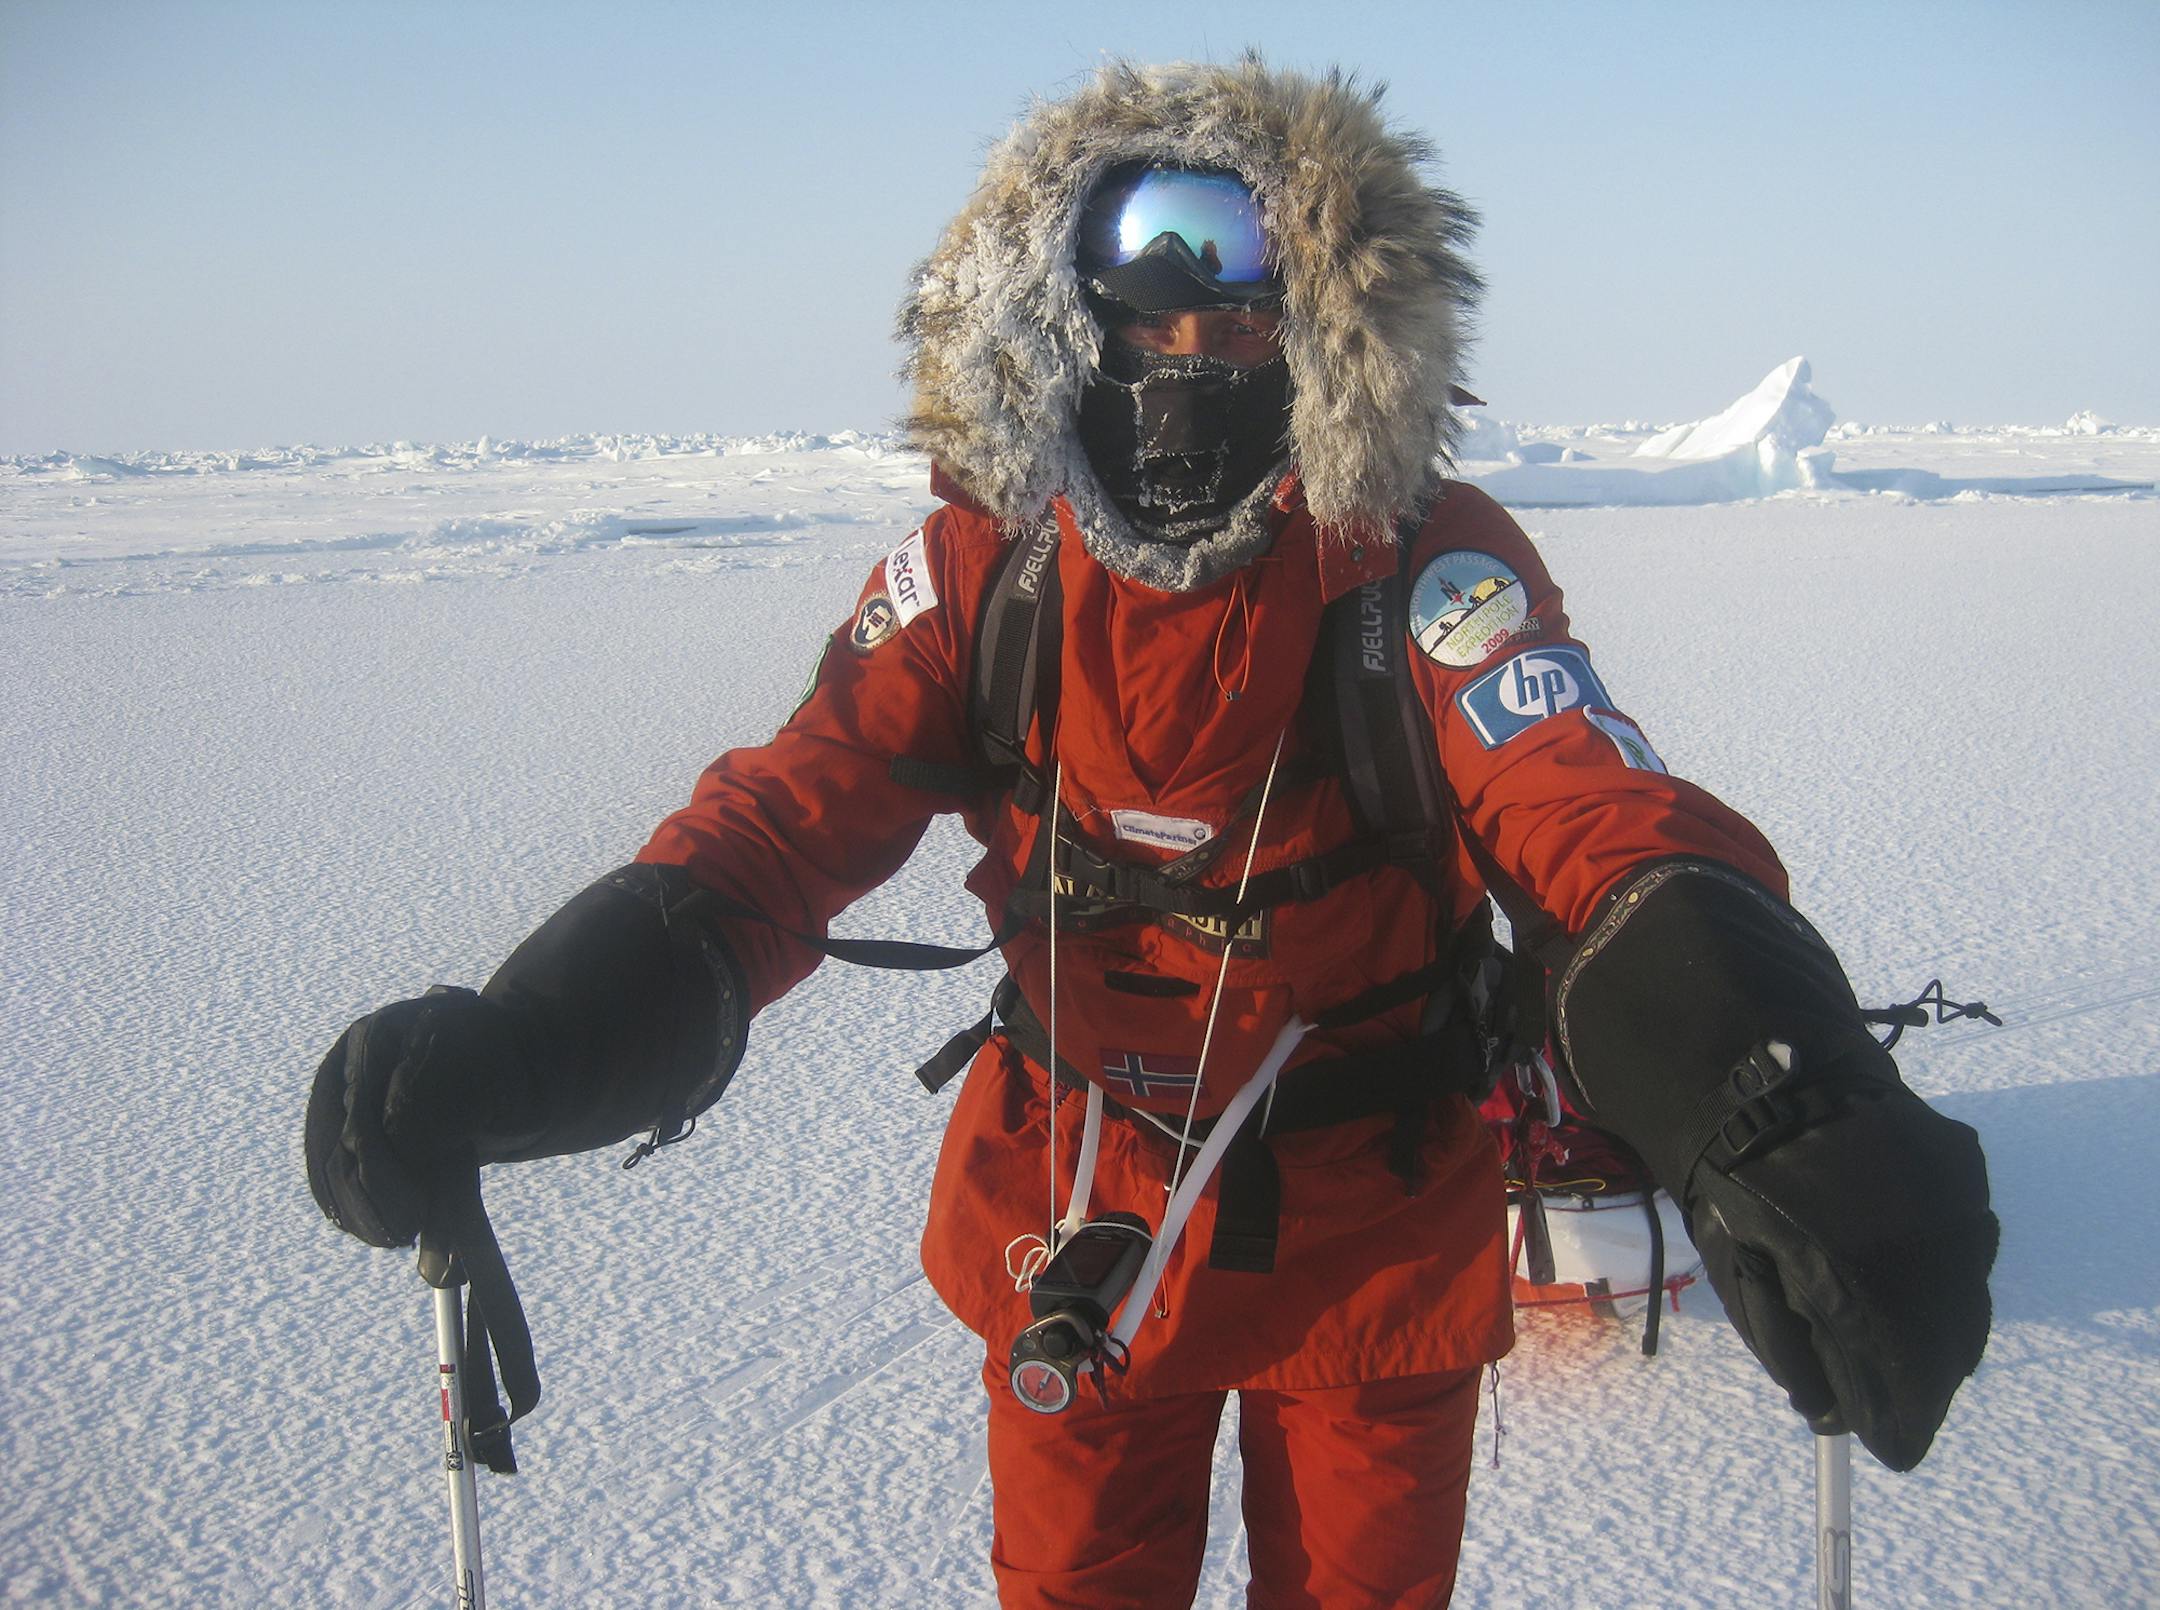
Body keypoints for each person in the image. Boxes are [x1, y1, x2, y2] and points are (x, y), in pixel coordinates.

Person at [306, 58, 1995, 1608]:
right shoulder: (988, 571)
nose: (1190, 329)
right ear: (1066, 301)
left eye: (1241, 278)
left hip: (1371, 1227)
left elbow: (1584, 804)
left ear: (1325, 313)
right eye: (1146, 264)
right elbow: (782, 825)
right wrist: (540, 1036)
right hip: (1076, 1204)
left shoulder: (1419, 564)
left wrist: (1773, 1087)